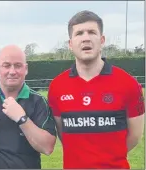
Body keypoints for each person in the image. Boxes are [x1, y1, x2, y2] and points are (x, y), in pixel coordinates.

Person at [48, 10, 145, 169]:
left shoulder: (129, 84)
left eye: (92, 32)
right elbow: (63, 135)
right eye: (79, 33)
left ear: (102, 40)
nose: (86, 37)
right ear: (71, 44)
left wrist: (110, 158)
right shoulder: (57, 87)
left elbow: (135, 136)